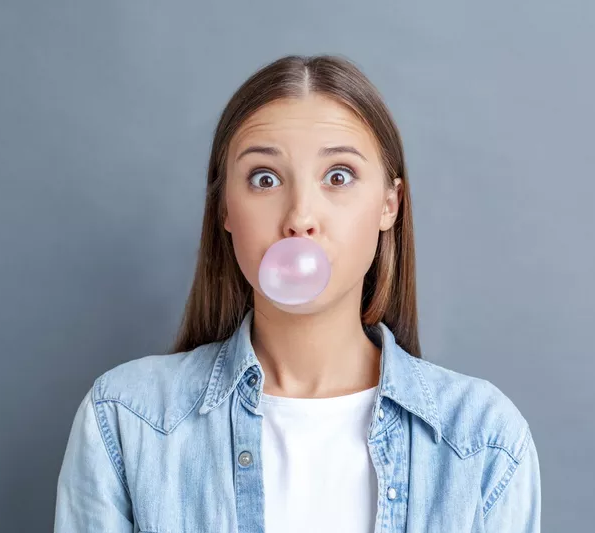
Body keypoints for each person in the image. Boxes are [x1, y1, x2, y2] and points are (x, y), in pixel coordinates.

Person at [53, 55, 541, 533]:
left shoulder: (482, 439)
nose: (300, 216)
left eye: (339, 176)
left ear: (389, 205)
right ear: (225, 208)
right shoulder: (125, 419)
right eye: (265, 179)